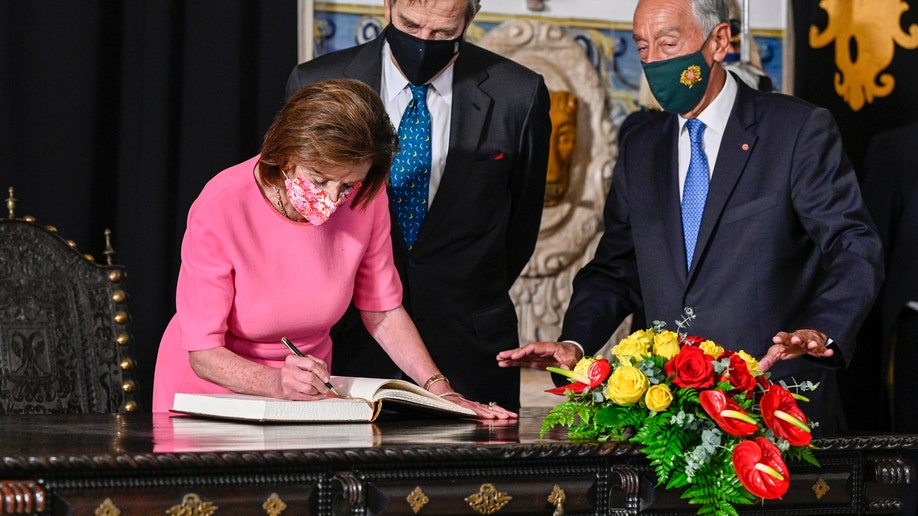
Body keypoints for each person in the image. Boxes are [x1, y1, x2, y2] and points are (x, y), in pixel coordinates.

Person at [497, 0, 883, 436]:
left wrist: (821, 329)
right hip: (666, 415)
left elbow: (854, 244)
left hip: (774, 409)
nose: (653, 62)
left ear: (718, 42)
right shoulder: (641, 145)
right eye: (642, 48)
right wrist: (574, 344)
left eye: (668, 43)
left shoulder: (796, 131)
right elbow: (616, 268)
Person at [152, 79, 514, 419]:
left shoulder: (366, 199)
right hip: (209, 394)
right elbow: (203, 353)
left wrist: (442, 390)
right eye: (319, 179)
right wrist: (275, 382)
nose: (332, 198)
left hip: (307, 392)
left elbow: (383, 311)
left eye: (347, 185)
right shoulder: (222, 205)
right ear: (286, 153)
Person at [285, 0, 551, 411]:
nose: (424, 42)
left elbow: (521, 224)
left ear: (470, 18)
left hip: (469, 345)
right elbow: (295, 217)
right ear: (388, 5)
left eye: (443, 33)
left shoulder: (519, 94)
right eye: (410, 25)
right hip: (346, 341)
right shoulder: (319, 81)